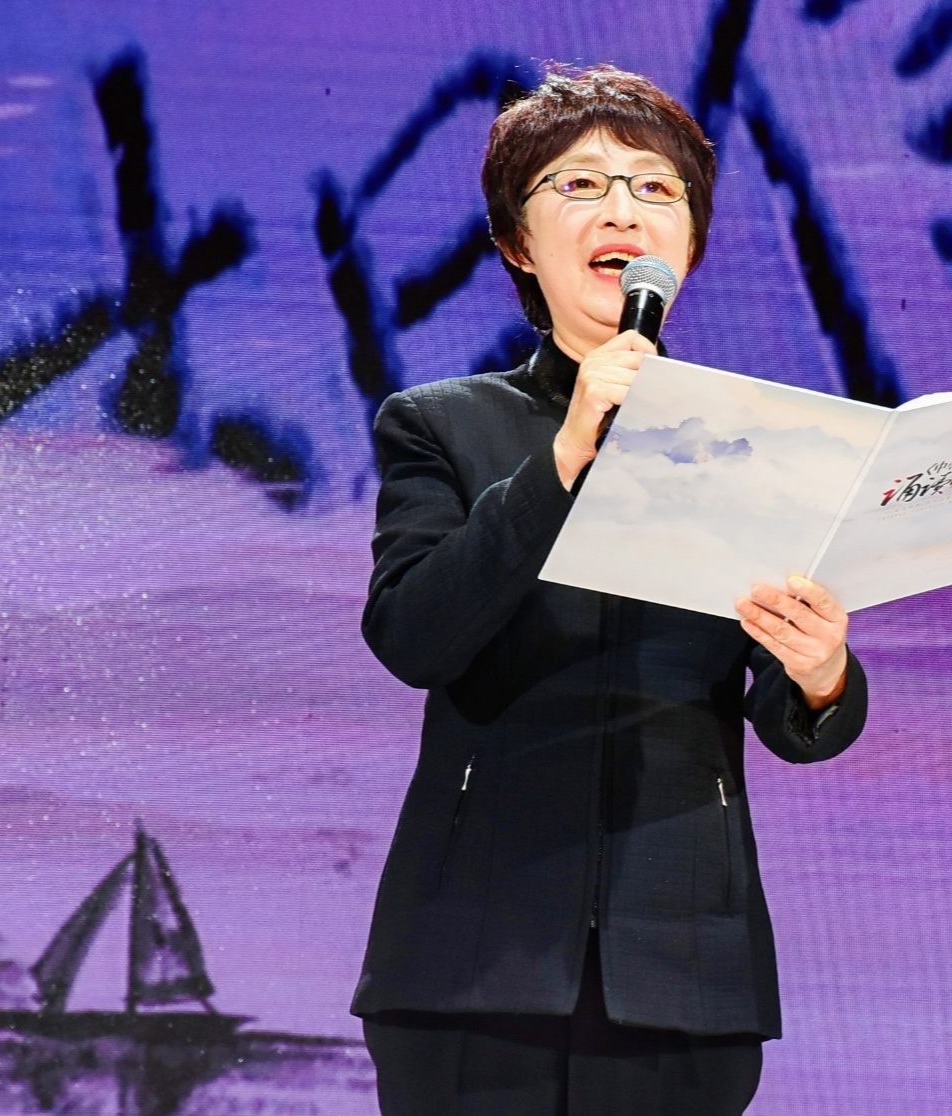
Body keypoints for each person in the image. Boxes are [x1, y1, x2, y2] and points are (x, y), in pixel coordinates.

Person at [351, 64, 871, 1115]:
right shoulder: (440, 425)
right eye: (580, 185)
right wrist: (563, 458)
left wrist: (822, 674)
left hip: (682, 966)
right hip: (471, 957)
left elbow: (791, 717)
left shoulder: (760, 445)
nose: (623, 210)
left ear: (690, 244)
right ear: (516, 242)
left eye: (654, 188)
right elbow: (414, 635)